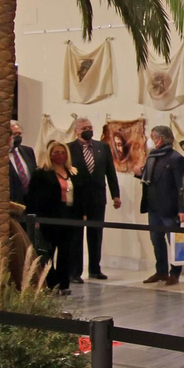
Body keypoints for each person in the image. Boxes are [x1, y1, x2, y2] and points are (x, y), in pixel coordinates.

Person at [68, 117, 121, 284]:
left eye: (90, 127)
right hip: (76, 200)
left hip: (97, 198)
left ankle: (95, 269)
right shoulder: (69, 149)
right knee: (76, 236)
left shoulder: (102, 147)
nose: (88, 129)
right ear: (76, 131)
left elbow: (110, 173)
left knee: (96, 234)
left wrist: (115, 195)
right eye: (84, 127)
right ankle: (75, 272)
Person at [26, 140, 78, 294]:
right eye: (56, 152)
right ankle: (50, 283)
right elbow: (32, 197)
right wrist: (35, 218)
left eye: (63, 152)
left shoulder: (73, 172)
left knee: (66, 253)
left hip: (68, 217)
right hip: (48, 217)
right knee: (47, 253)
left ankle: (64, 284)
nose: (60, 155)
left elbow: (79, 195)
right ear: (50, 155)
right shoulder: (41, 173)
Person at [139, 125, 184, 286]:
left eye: (152, 137)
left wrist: (183, 209)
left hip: (169, 208)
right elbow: (150, 179)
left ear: (159, 139)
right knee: (156, 240)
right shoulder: (152, 156)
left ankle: (175, 273)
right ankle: (161, 271)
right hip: (153, 207)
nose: (150, 140)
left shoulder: (176, 158)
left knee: (174, 241)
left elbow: (182, 186)